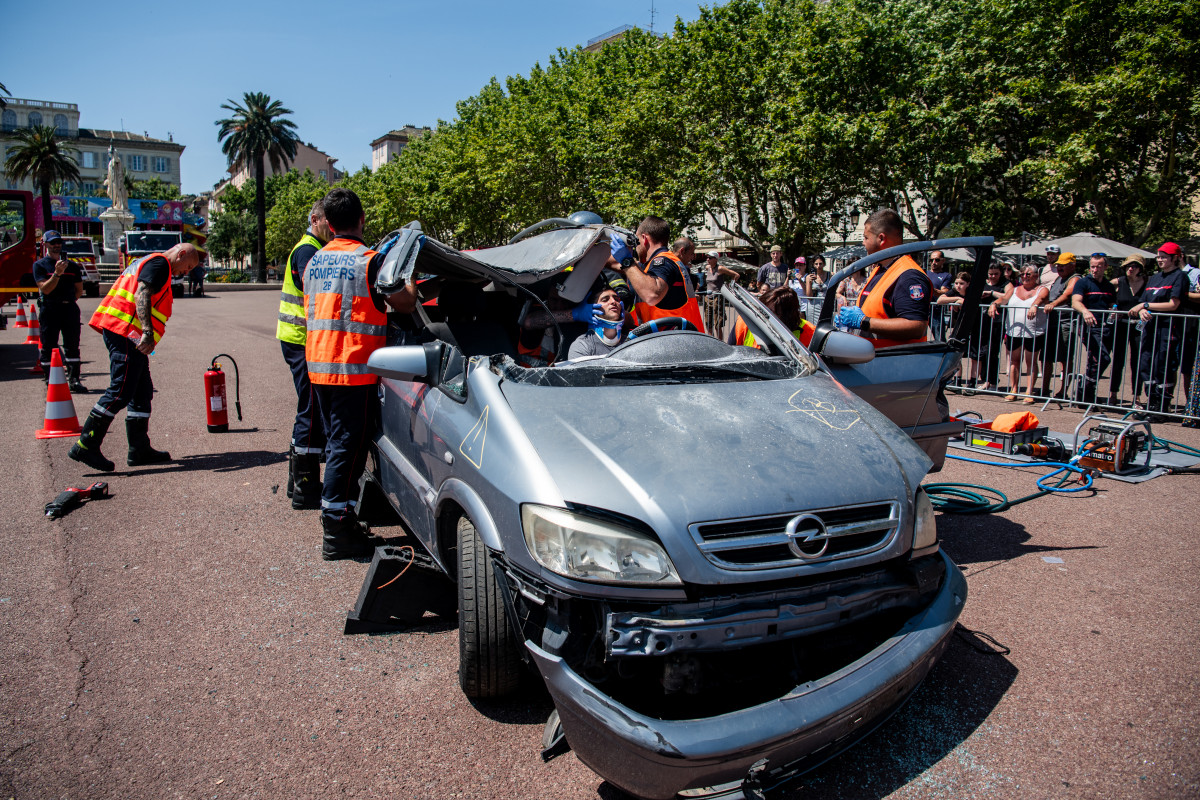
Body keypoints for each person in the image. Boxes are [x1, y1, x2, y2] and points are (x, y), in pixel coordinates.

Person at [306, 188, 419, 560]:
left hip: (320, 366)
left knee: (338, 444)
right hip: (353, 369)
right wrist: (409, 277)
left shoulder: (315, 260)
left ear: (330, 222)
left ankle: (339, 518)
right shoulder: (369, 261)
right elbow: (403, 301)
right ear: (361, 219)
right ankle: (336, 530)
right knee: (347, 448)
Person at [68, 243, 201, 472]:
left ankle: (139, 449)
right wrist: (148, 332)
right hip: (126, 332)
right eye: (187, 266)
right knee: (120, 391)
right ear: (180, 254)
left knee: (141, 392)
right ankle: (86, 444)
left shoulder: (151, 261)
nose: (186, 272)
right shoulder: (160, 264)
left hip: (126, 332)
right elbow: (142, 294)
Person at [278, 200, 332, 510]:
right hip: (301, 339)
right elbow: (314, 292)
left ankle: (297, 483)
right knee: (311, 409)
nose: (331, 228)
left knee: (308, 406)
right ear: (314, 219)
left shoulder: (312, 249)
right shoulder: (307, 251)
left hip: (300, 338)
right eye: (328, 222)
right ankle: (305, 488)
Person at [833, 209, 931, 347]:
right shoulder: (879, 269)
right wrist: (850, 319)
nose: (863, 242)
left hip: (895, 362)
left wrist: (863, 321)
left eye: (866, 237)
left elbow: (916, 326)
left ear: (881, 238)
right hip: (873, 359)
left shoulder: (909, 275)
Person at [609, 215, 705, 332]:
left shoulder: (664, 261)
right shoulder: (654, 264)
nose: (635, 246)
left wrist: (626, 260)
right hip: (677, 339)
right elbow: (617, 264)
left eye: (637, 240)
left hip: (676, 341)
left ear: (644, 239)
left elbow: (652, 295)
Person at [1132, 242, 1190, 416]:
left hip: (1168, 328)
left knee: (1162, 366)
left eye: (1164, 257)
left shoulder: (1180, 276)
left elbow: (1174, 304)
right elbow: (1143, 301)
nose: (1160, 260)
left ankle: (1162, 406)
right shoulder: (1155, 278)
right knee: (1146, 364)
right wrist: (1142, 309)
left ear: (1175, 258)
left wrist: (1146, 305)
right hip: (1150, 329)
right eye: (1158, 257)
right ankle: (1151, 402)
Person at [32, 230, 87, 392]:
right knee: (49, 345)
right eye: (52, 243)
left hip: (69, 308)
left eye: (58, 242)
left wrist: (67, 302)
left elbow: (79, 290)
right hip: (50, 308)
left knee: (72, 345)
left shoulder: (73, 266)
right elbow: (45, 289)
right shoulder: (40, 265)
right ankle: (50, 379)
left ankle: (74, 380)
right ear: (45, 244)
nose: (56, 246)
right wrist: (57, 274)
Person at [993, 265, 1049, 403]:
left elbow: (1041, 298)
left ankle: (1029, 392)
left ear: (1036, 275)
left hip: (1033, 332)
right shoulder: (1015, 289)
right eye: (1022, 274)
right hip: (1014, 331)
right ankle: (1014, 389)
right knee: (1014, 361)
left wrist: (1034, 306)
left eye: (1028, 274)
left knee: (1031, 362)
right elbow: (1004, 299)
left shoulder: (1042, 289)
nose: (1024, 276)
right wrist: (994, 303)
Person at [1070, 253, 1117, 404]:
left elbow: (1111, 304)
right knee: (1101, 358)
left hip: (1106, 327)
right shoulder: (1083, 283)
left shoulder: (1109, 286)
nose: (1095, 270)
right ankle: (1086, 390)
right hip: (1089, 327)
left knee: (1097, 361)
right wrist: (1085, 311)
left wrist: (1114, 311)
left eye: (1098, 266)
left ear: (1105, 267)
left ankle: (1087, 391)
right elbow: (1075, 302)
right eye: (1092, 266)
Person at [1039, 251, 1081, 399]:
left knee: (1065, 358)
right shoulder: (1058, 278)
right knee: (1046, 358)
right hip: (1052, 322)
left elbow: (1068, 294)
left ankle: (1064, 391)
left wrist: (1053, 304)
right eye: (1058, 265)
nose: (1060, 268)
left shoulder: (1074, 279)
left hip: (1066, 323)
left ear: (1072, 265)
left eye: (1063, 266)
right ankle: (1044, 389)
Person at [1110, 255, 1147, 405]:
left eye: (1134, 266)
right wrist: (1112, 306)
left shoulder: (1147, 283)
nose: (1130, 268)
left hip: (1139, 326)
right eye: (1128, 266)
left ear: (1140, 269)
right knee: (1118, 360)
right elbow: (1105, 291)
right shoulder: (1118, 282)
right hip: (1122, 324)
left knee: (1137, 361)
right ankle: (1113, 393)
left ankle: (1136, 396)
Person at [729, 286, 815, 349]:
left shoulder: (810, 332)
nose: (763, 315)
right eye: (762, 309)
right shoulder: (743, 322)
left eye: (771, 313)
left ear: (787, 316)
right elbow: (729, 354)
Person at [973, 262, 1012, 392]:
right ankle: (985, 380)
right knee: (982, 352)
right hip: (981, 321)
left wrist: (992, 294)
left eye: (996, 274)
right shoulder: (982, 281)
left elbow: (1009, 296)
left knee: (992, 352)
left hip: (997, 322)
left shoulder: (1005, 284)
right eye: (990, 274)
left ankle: (992, 381)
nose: (993, 276)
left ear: (1001, 273)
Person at [566, 287, 626, 359]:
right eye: (605, 300)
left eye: (616, 299)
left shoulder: (631, 342)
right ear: (593, 309)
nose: (613, 301)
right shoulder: (582, 345)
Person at [936, 271, 973, 384]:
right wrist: (956, 299)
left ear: (968, 284)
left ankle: (973, 381)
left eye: (961, 283)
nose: (958, 286)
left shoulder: (972, 292)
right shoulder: (954, 292)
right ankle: (957, 379)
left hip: (973, 327)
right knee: (956, 353)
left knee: (974, 355)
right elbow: (939, 300)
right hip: (958, 327)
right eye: (956, 283)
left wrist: (964, 302)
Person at [702, 251, 738, 335]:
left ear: (716, 259)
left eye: (710, 258)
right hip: (708, 298)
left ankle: (720, 343)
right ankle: (711, 343)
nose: (708, 259)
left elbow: (736, 275)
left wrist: (730, 286)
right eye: (707, 258)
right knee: (708, 324)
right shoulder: (707, 267)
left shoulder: (720, 268)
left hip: (717, 298)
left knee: (718, 324)